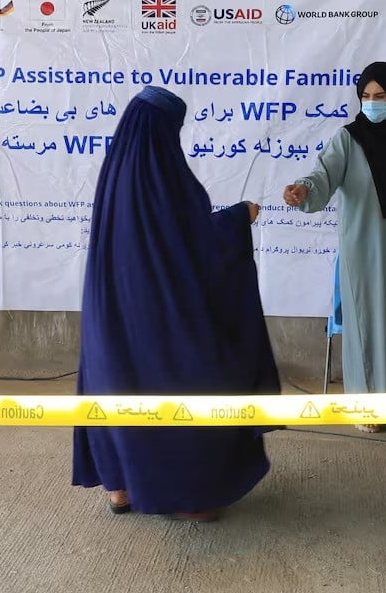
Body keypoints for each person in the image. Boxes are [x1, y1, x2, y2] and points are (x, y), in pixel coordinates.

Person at [72, 86, 281, 520]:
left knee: (116, 384)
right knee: (188, 381)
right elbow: (195, 248)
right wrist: (239, 217)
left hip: (111, 314)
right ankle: (191, 495)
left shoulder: (118, 171)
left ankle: (121, 487)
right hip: (157, 318)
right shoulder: (166, 178)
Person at [282, 62, 386, 433]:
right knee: (365, 325)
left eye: (380, 96)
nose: (371, 104)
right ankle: (366, 407)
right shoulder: (348, 139)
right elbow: (322, 176)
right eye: (365, 97)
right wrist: (303, 190)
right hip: (362, 251)